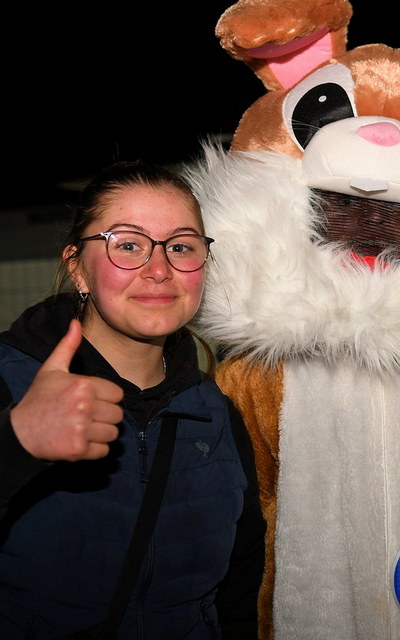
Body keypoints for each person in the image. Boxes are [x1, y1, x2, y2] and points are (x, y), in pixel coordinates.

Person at [0, 161, 265, 639]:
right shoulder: (7, 380)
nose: (159, 270)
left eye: (181, 247)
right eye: (127, 245)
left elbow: (240, 589)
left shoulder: (216, 413)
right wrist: (15, 444)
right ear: (77, 268)